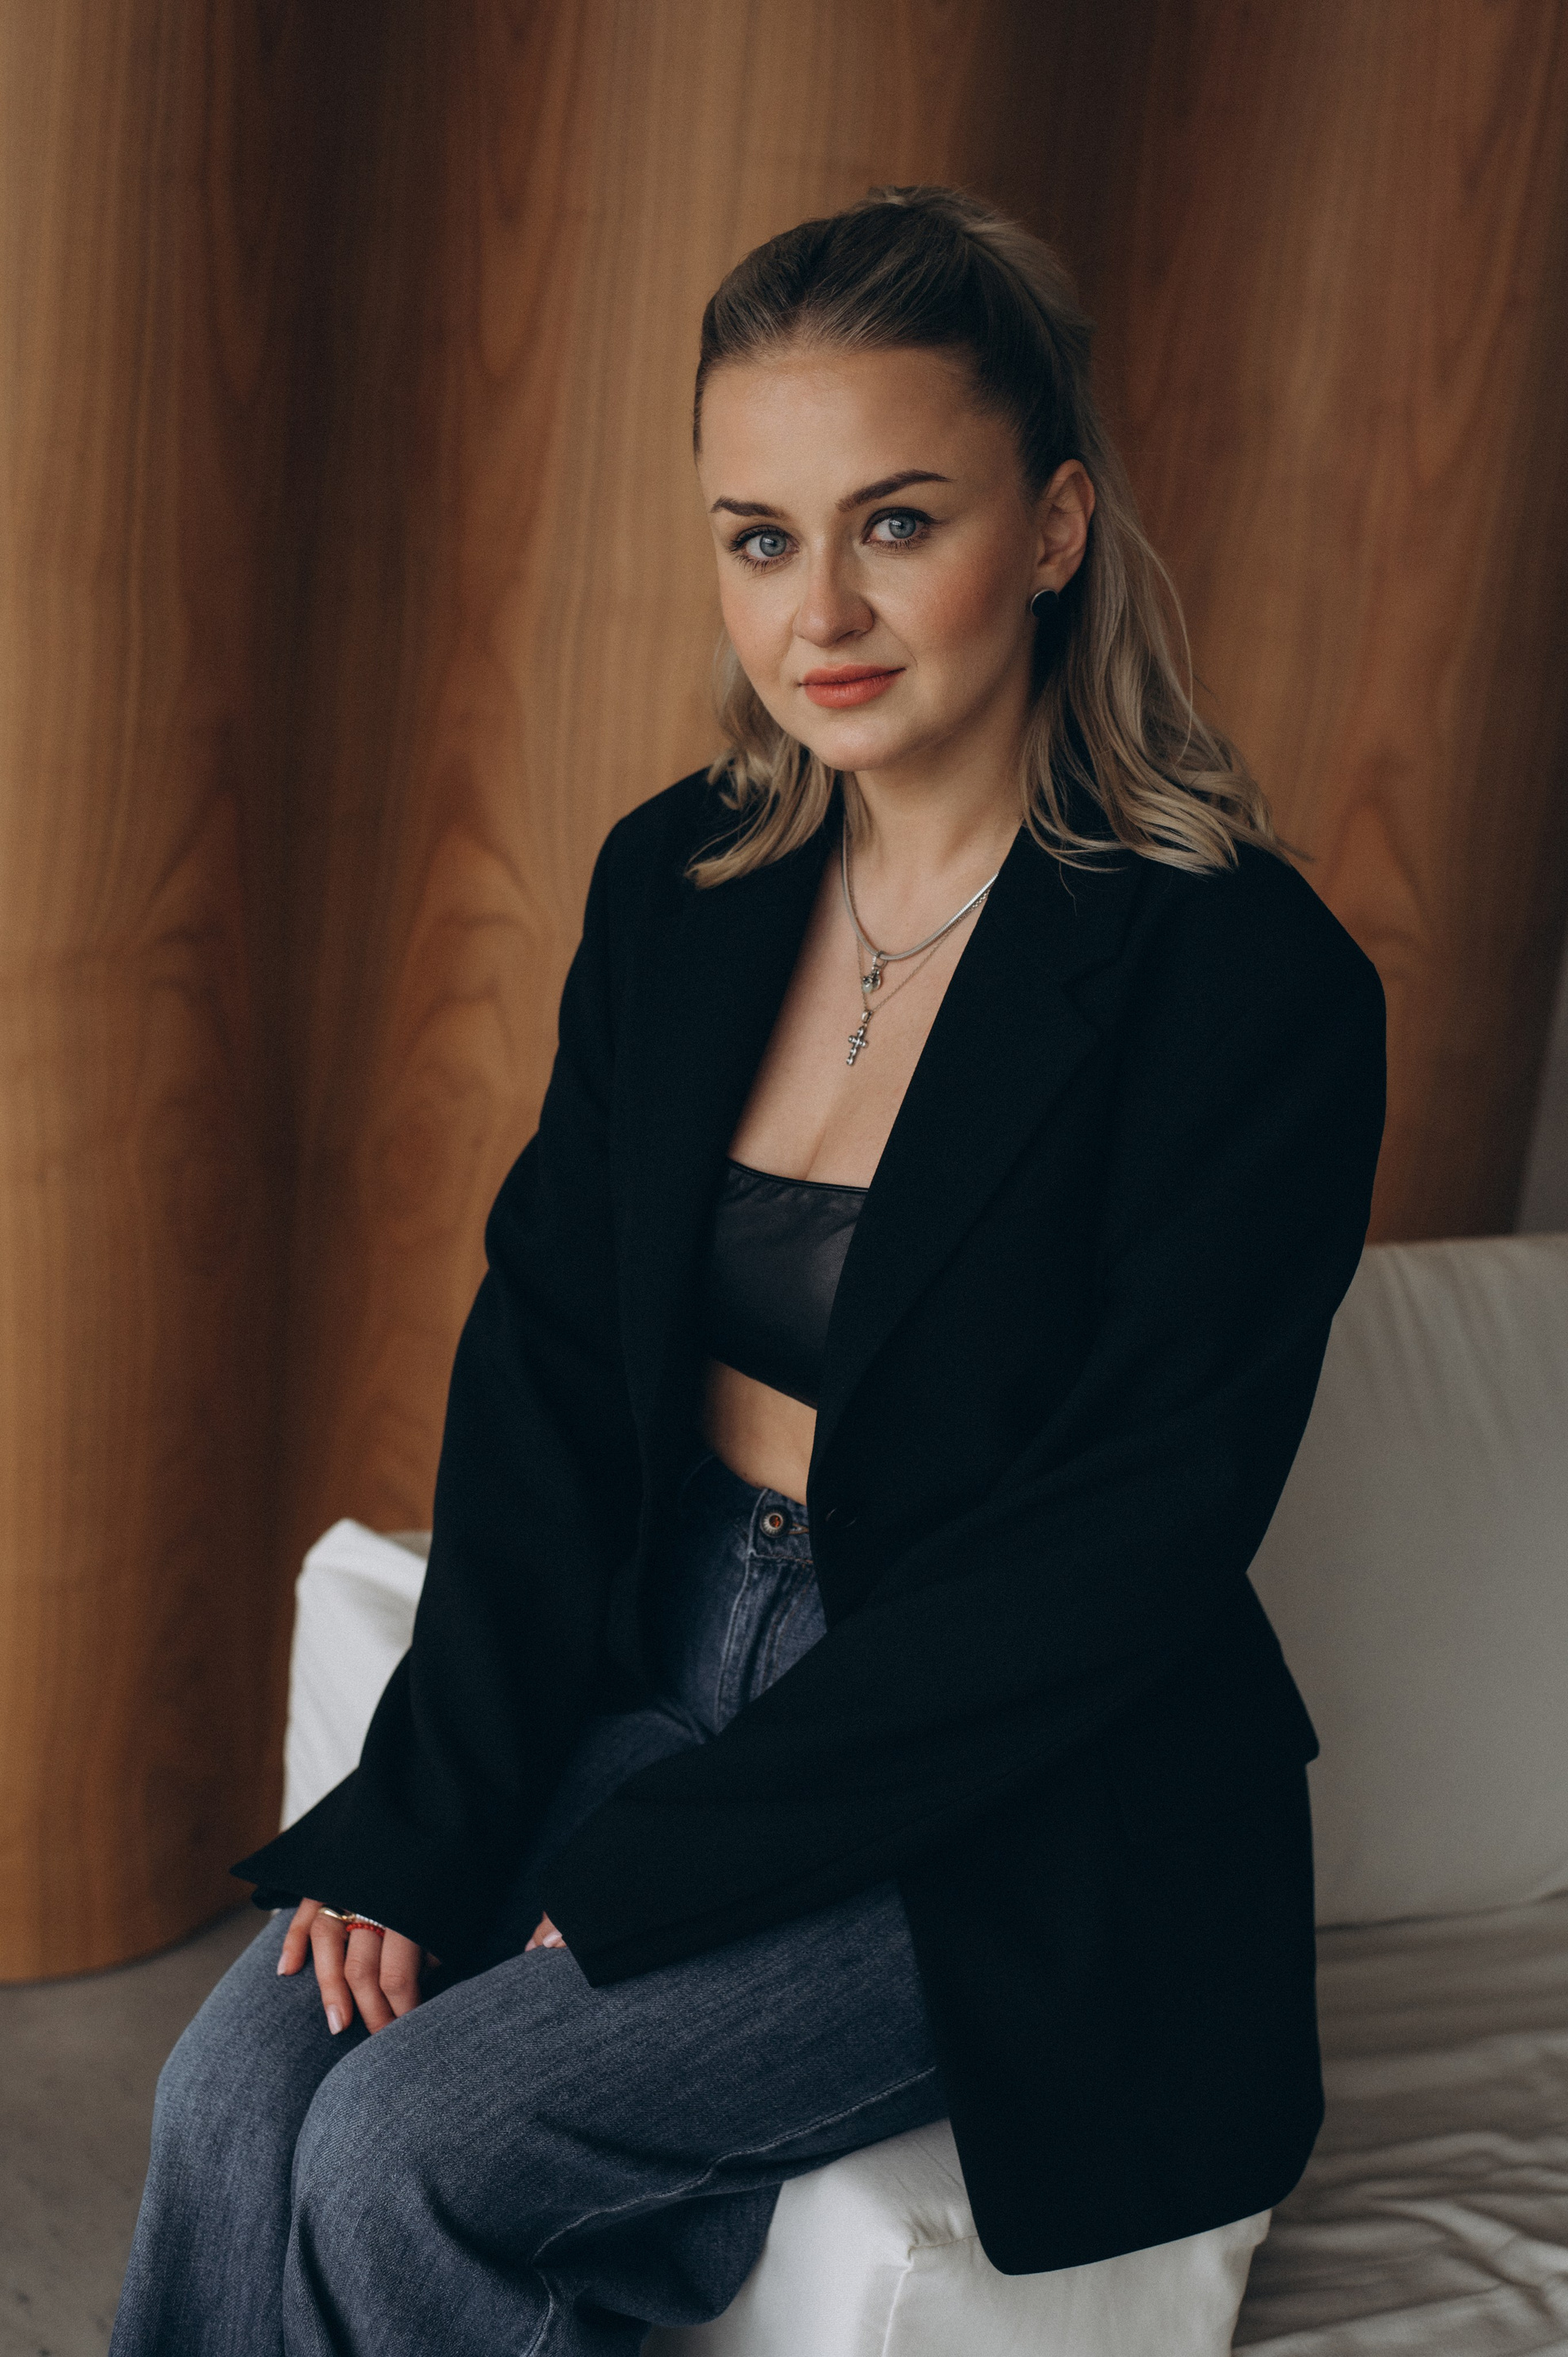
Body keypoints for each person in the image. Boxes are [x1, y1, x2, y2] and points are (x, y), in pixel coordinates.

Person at [111, 185, 1385, 2355]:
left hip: (1008, 1782)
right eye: (763, 538)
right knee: (233, 2096)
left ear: (1055, 525)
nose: (824, 614)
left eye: (898, 522)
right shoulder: (682, 883)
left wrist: (650, 1878)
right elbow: (544, 1370)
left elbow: (1113, 1556)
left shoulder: (1246, 984)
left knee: (412, 2142)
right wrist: (429, 1819)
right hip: (661, 1649)